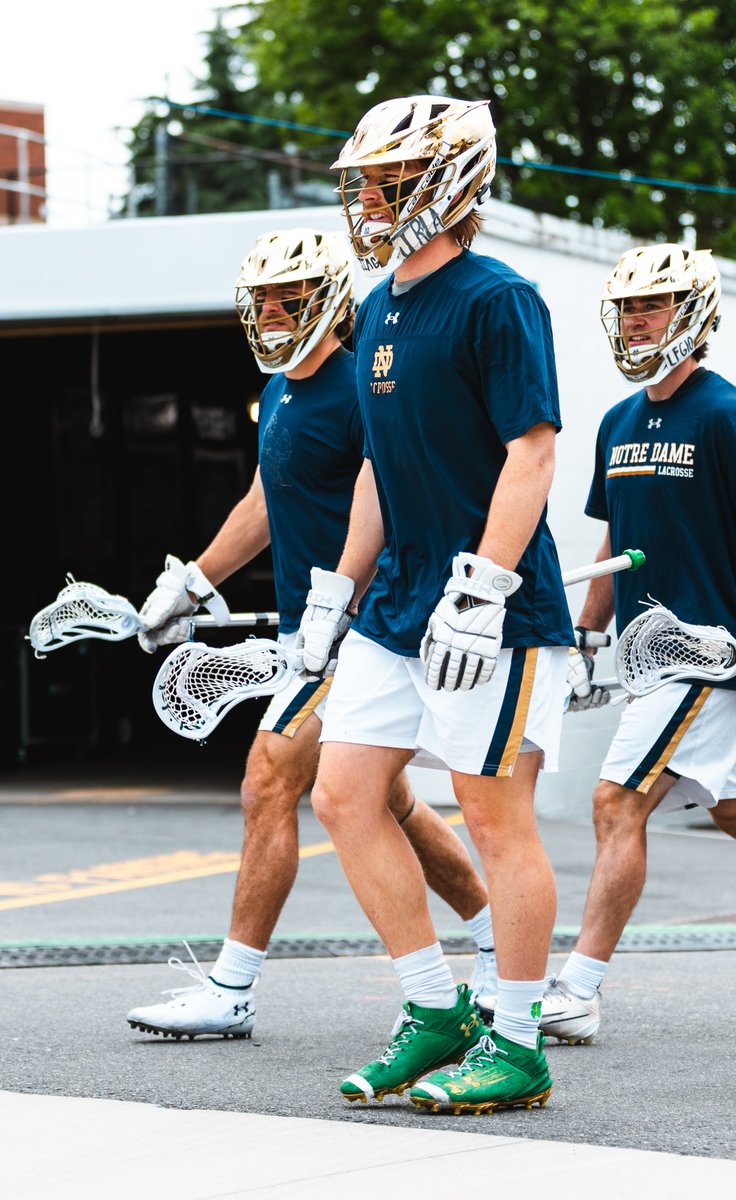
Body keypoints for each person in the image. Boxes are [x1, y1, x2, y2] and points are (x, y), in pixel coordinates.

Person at [125, 227, 496, 1040]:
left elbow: (400, 498)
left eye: (284, 298)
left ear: (326, 298)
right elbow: (264, 502)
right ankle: (494, 935)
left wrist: (349, 602)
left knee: (269, 780)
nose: (268, 313)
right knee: (390, 803)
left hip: (361, 627)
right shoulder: (281, 393)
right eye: (258, 299)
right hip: (308, 632)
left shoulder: (364, 388)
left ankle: (232, 988)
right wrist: (190, 582)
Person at [298, 94, 573, 1114]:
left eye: (389, 179)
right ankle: (435, 1010)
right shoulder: (377, 305)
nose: (367, 199)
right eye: (365, 180)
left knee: (495, 820)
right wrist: (338, 587)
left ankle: (518, 1039)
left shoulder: (500, 298)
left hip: (485, 603)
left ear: (449, 183)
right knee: (341, 794)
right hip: (398, 598)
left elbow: (533, 451)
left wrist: (485, 585)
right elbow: (379, 465)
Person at [541, 243, 736, 1047]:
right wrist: (582, 638)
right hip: (647, 666)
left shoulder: (730, 415)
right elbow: (617, 541)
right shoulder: (617, 421)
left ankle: (577, 990)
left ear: (694, 314)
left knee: (617, 803)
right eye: (626, 309)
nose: (634, 321)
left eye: (650, 305)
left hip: (709, 658)